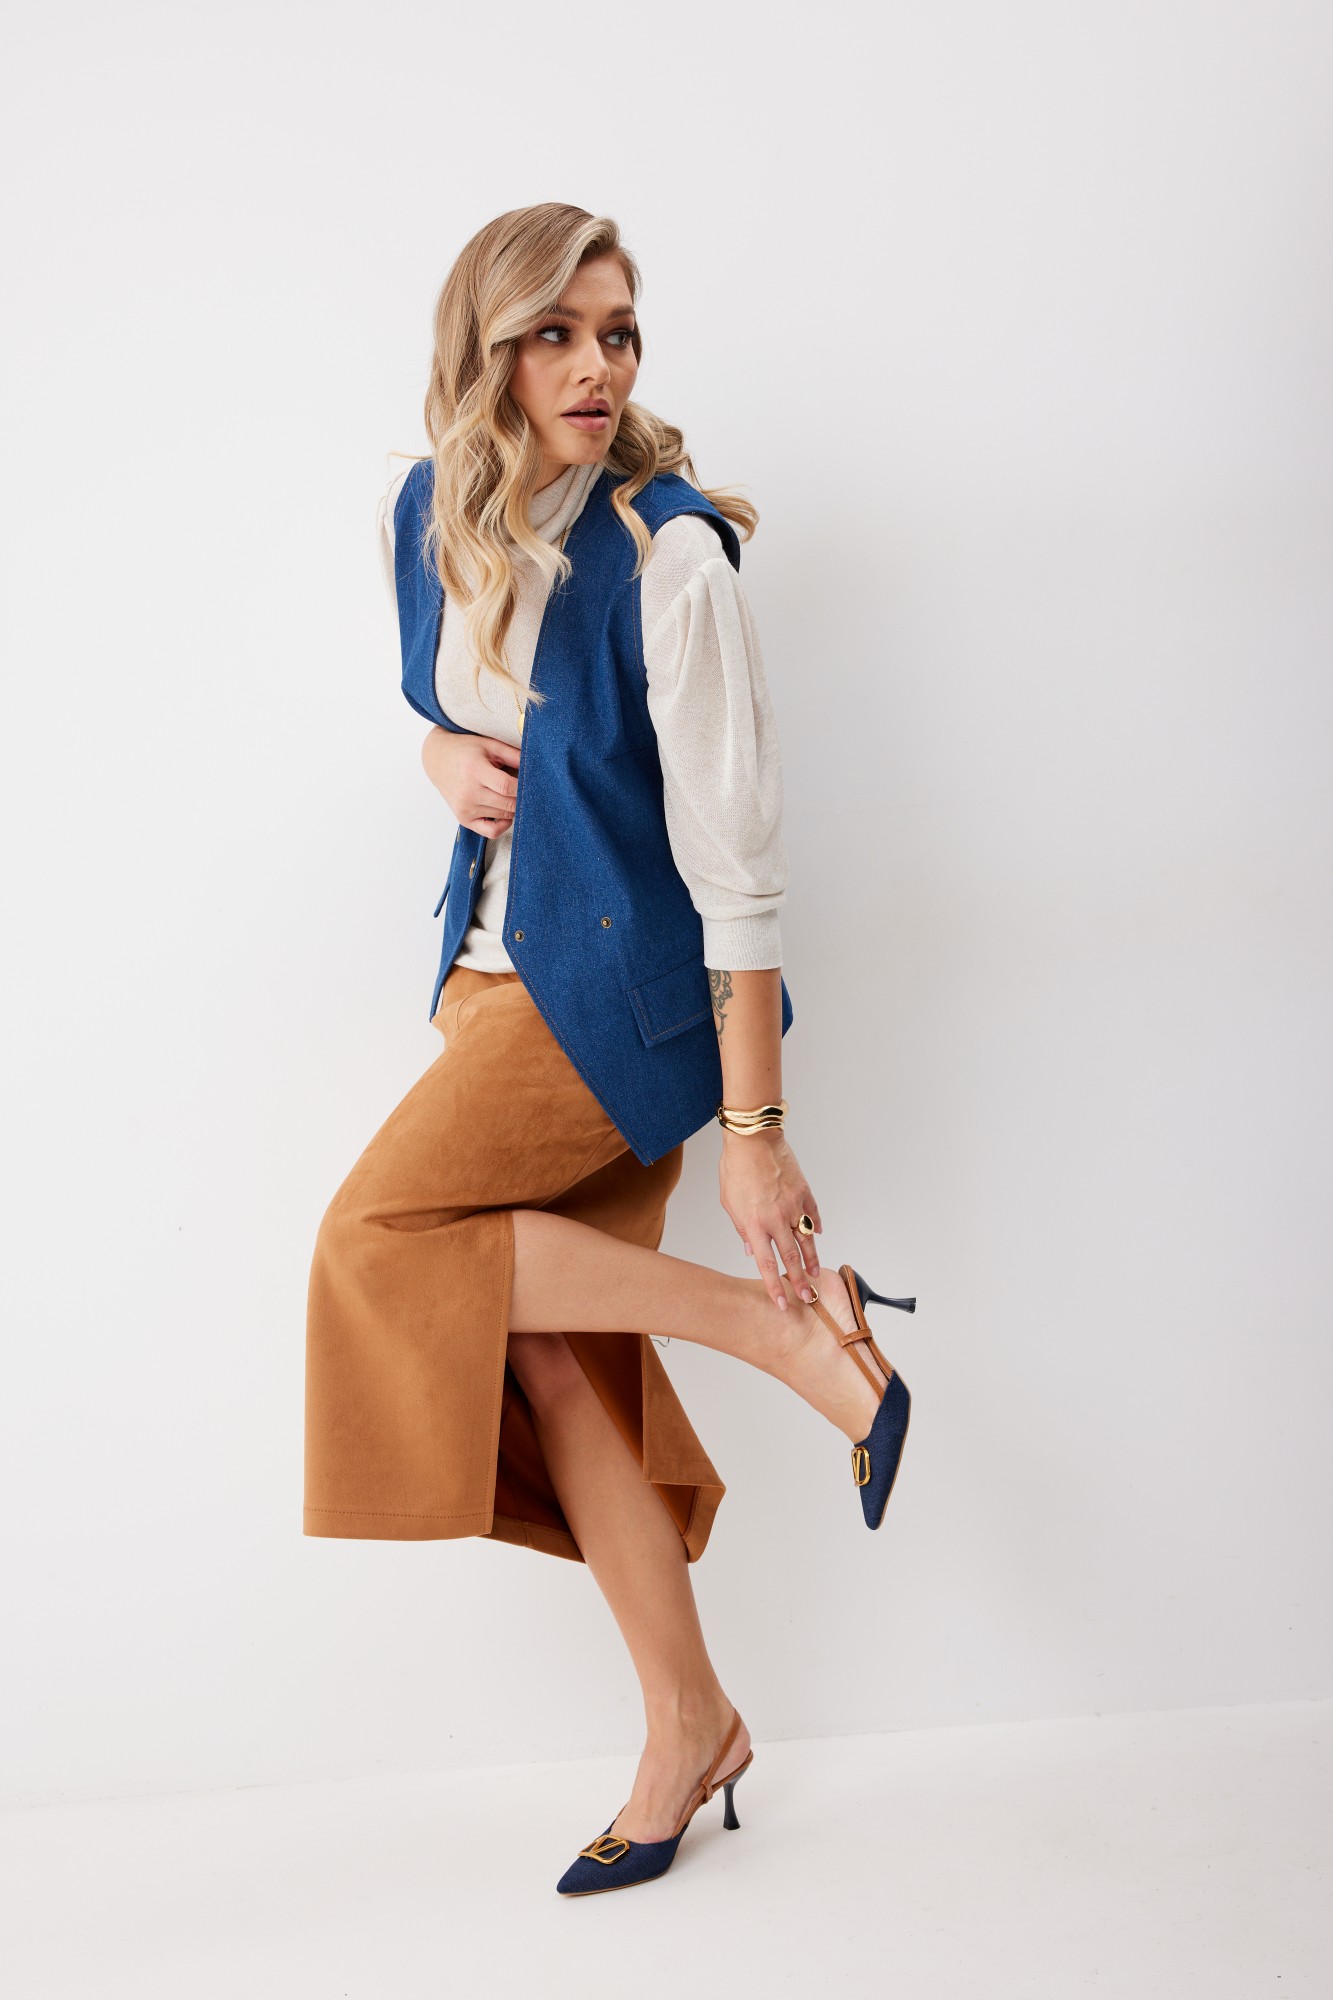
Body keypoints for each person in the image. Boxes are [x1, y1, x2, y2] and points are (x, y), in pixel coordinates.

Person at [304, 203, 916, 1899]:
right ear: (484, 351)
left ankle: (787, 1331)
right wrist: (437, 759)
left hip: (621, 1007)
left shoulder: (671, 558)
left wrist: (754, 1130)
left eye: (619, 332)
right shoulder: (427, 509)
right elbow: (451, 701)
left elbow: (739, 875)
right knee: (556, 1359)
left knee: (378, 1242)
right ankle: (687, 1726)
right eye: (557, 334)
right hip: (482, 982)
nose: (597, 368)